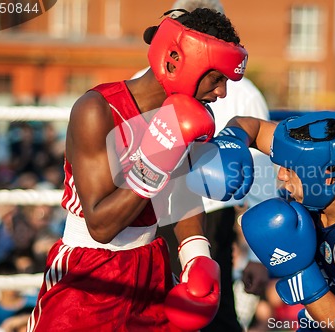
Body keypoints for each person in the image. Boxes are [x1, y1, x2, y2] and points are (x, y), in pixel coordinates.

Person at [27, 8, 249, 331]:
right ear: (179, 61)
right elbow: (101, 224)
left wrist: (196, 254)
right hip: (88, 276)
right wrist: (156, 157)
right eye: (216, 79)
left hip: (150, 267)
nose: (221, 93)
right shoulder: (97, 110)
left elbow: (183, 196)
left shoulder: (183, 116)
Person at [187, 111, 335, 331]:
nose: (281, 175)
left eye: (291, 169)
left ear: (329, 175)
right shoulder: (318, 169)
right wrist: (232, 141)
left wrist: (297, 269)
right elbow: (250, 126)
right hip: (316, 321)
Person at [133, 1, 275, 331]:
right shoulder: (135, 87)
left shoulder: (239, 92)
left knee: (211, 313)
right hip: (146, 219)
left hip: (209, 217)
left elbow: (262, 176)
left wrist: (258, 256)